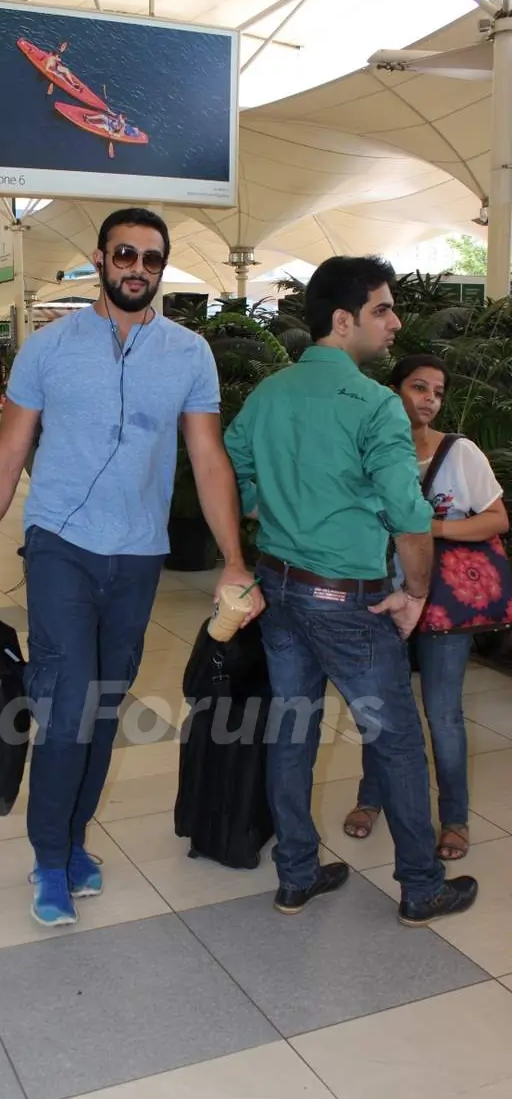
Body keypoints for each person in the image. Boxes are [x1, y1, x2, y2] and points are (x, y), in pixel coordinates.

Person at [0, 206, 264, 928]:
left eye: (152, 260)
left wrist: (233, 562)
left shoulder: (189, 354)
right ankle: (50, 858)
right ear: (100, 258)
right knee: (66, 709)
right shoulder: (50, 349)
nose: (138, 270)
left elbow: (209, 460)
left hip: (139, 554)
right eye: (125, 254)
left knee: (101, 710)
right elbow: (5, 458)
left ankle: (74, 839)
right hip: (60, 544)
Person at [225, 255, 478, 928]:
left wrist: (267, 504)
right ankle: (421, 886)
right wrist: (417, 594)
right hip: (350, 602)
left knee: (293, 731)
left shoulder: (269, 394)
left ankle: (297, 875)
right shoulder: (375, 407)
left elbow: (236, 464)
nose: (395, 322)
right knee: (394, 739)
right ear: (344, 321)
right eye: (382, 310)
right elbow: (410, 515)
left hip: (280, 590)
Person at [344, 354, 508, 861]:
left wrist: (426, 527)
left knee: (442, 711)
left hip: (442, 602)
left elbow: (495, 520)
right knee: (380, 705)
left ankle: (454, 817)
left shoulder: (460, 453)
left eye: (437, 391)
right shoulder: (369, 448)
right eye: (419, 387)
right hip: (379, 594)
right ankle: (371, 799)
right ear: (392, 391)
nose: (429, 399)